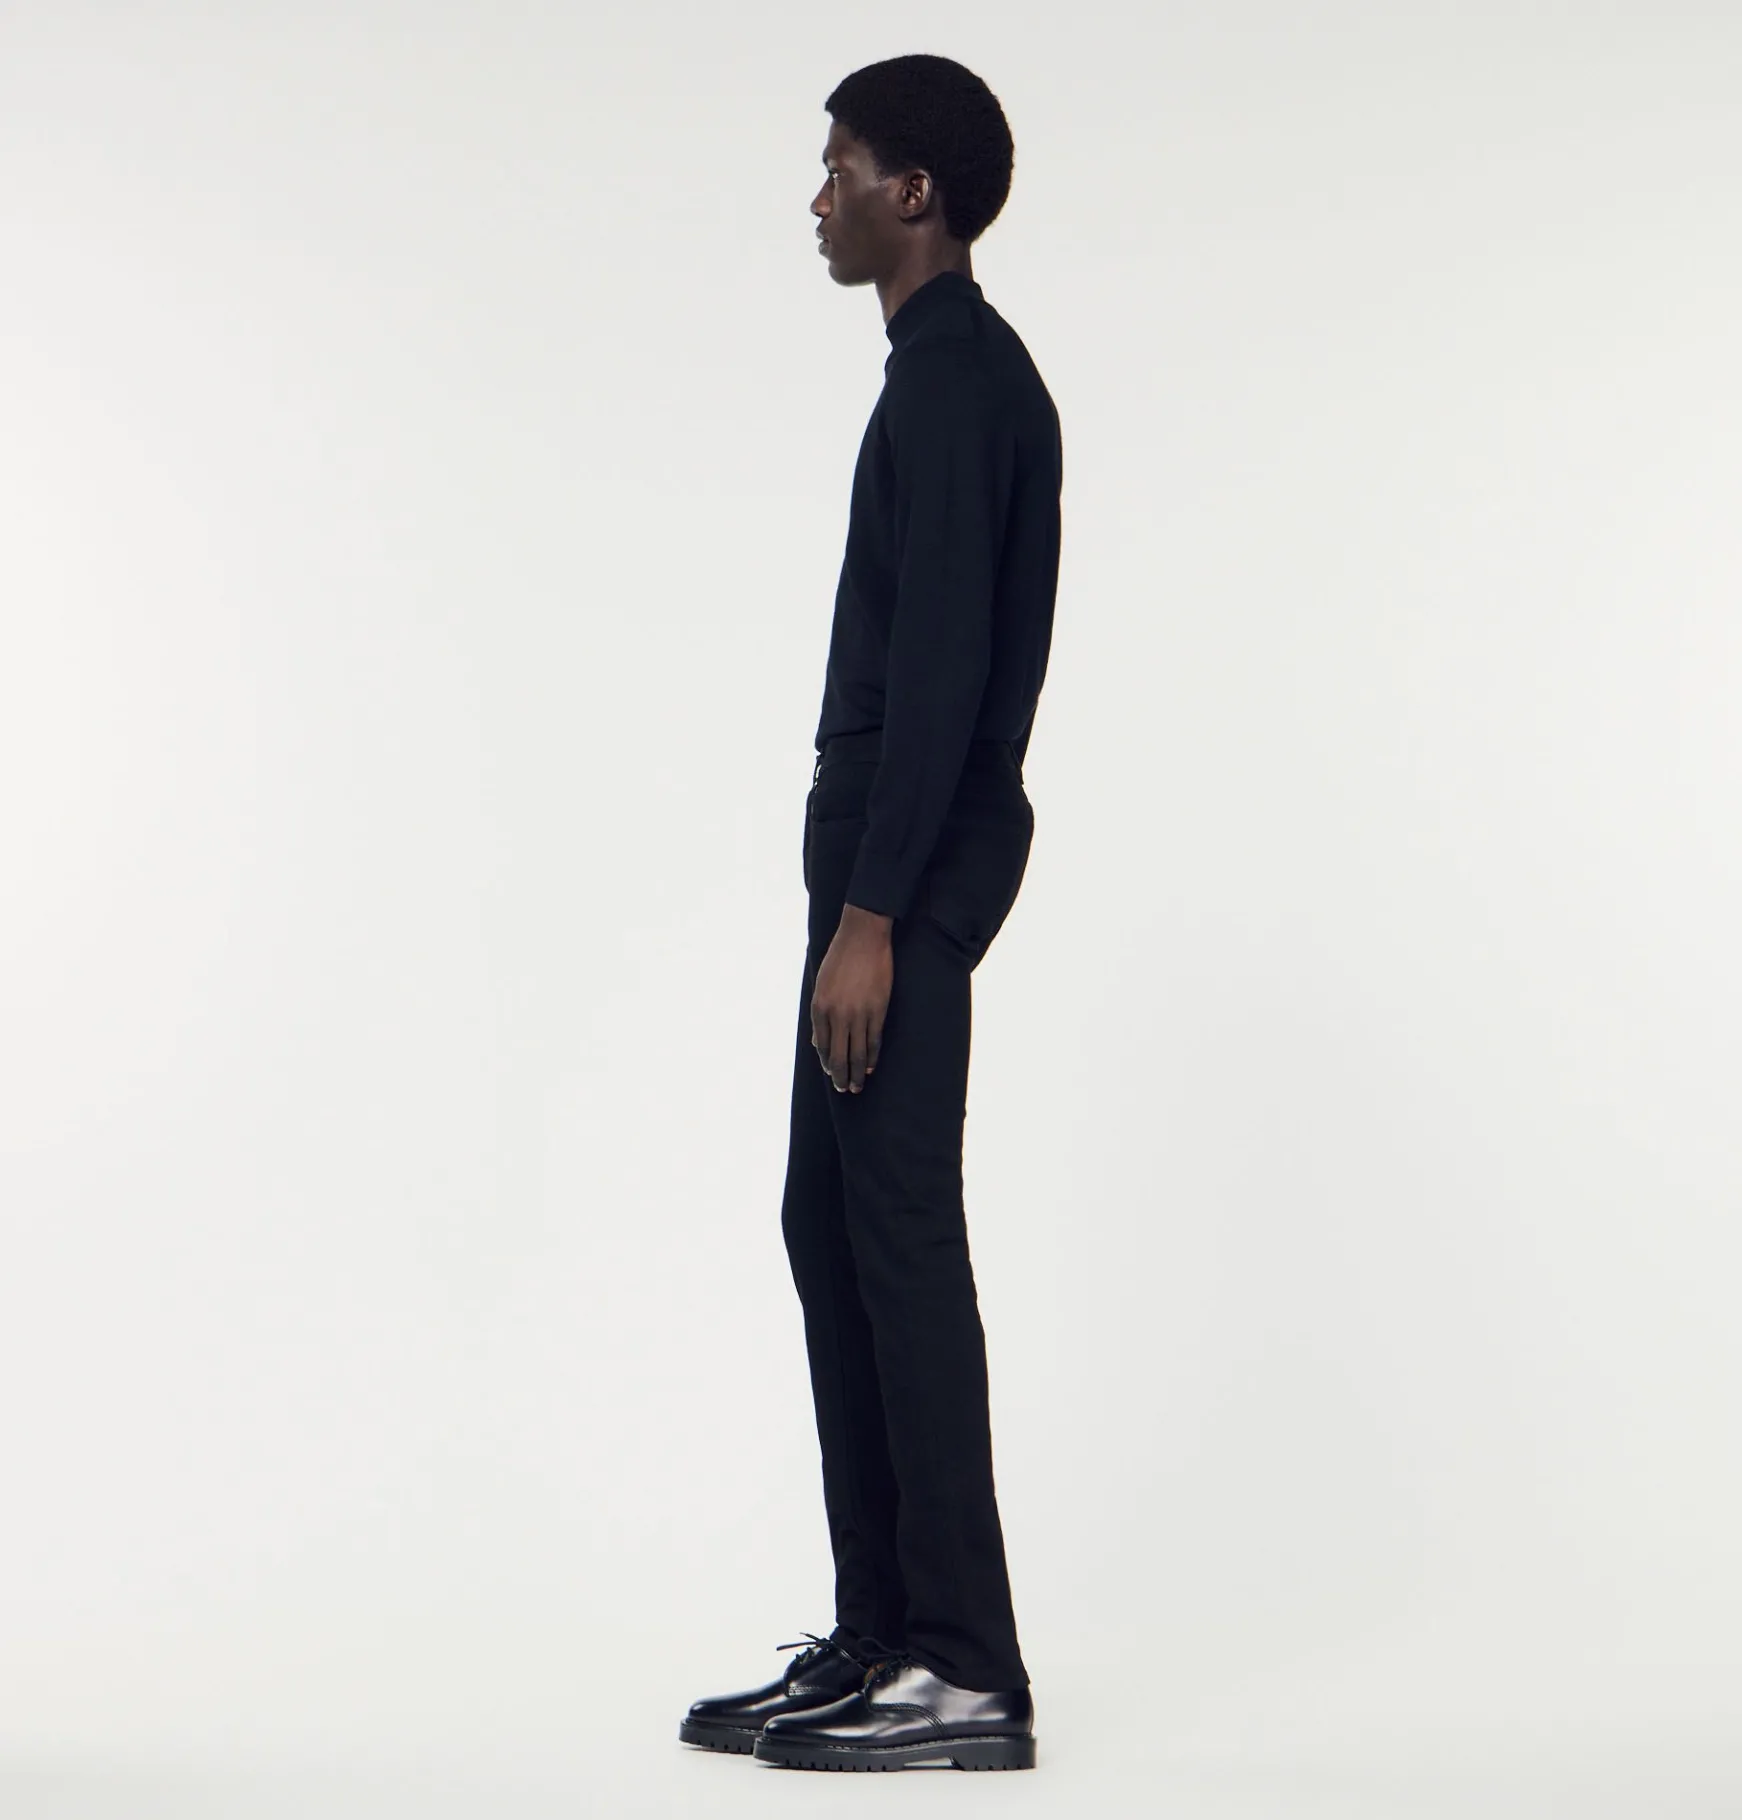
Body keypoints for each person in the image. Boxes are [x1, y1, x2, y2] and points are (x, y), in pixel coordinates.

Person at [679, 52, 1062, 1774]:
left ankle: (966, 1667)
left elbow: (947, 680)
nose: (819, 197)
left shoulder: (963, 385)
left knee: (895, 1236)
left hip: (897, 881)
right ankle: (885, 1633)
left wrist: (875, 916)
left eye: (840, 167)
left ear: (917, 193)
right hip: (875, 870)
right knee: (830, 1224)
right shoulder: (932, 379)